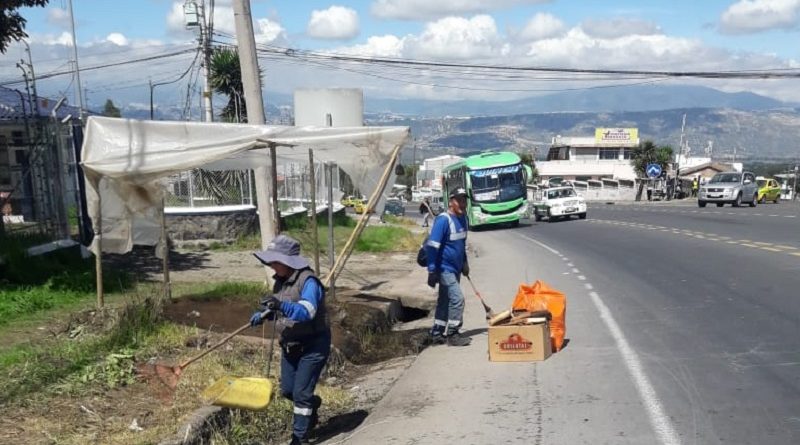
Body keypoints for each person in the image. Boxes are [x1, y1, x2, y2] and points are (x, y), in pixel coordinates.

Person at [249, 235, 330, 445]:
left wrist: (281, 306)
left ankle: (299, 438)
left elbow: (307, 311)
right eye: (271, 261)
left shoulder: (309, 281)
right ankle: (312, 405)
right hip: (290, 346)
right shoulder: (281, 282)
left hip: (313, 346)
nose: (273, 265)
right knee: (288, 391)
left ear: (288, 261)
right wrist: (263, 314)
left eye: (276, 261)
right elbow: (276, 306)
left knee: (301, 394)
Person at [424, 187, 471, 347]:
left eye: (464, 200)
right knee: (457, 299)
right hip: (444, 269)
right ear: (451, 202)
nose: (462, 203)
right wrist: (432, 270)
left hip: (456, 268)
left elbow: (461, 244)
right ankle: (453, 333)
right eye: (459, 200)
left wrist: (465, 263)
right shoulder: (443, 220)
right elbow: (432, 246)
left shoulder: (464, 218)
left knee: (445, 300)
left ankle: (437, 332)